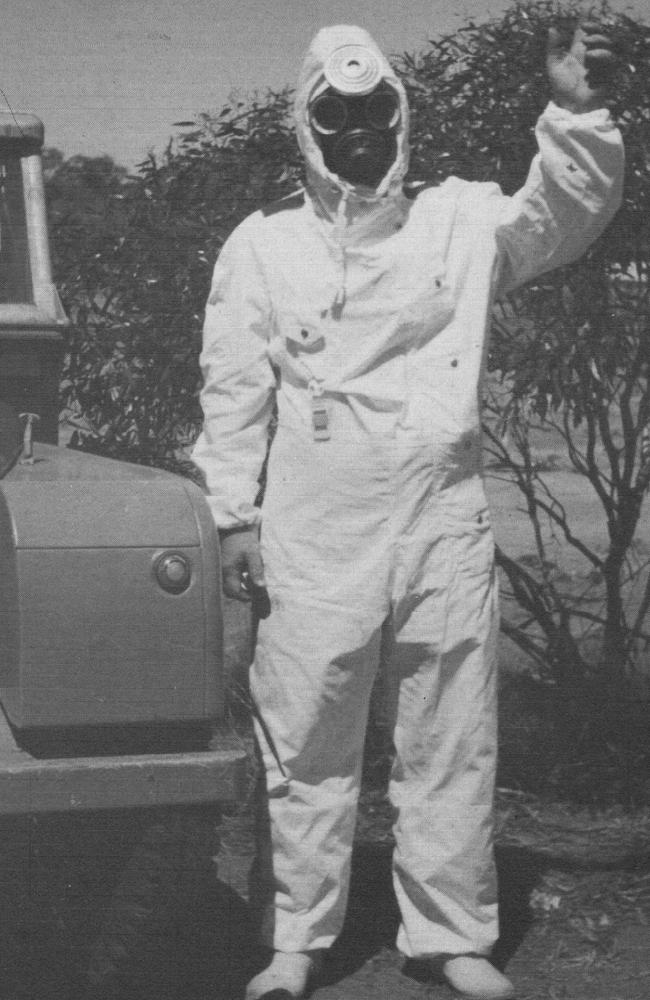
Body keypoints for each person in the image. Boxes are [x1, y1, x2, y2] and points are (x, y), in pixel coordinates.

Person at [192, 20, 623, 1000]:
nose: (358, 131)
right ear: (306, 124)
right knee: (303, 740)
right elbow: (232, 392)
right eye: (334, 113)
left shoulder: (460, 221)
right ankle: (293, 939)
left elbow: (566, 212)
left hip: (442, 517)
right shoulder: (262, 247)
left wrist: (576, 109)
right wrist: (233, 518)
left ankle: (449, 933)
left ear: (400, 115)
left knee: (451, 736)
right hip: (312, 528)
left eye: (375, 109)